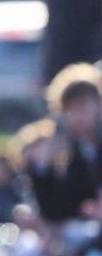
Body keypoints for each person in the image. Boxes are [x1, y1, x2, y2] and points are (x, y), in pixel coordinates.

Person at [24, 64, 101, 228]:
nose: (77, 114)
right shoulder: (60, 150)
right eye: (69, 108)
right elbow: (51, 207)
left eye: (82, 104)